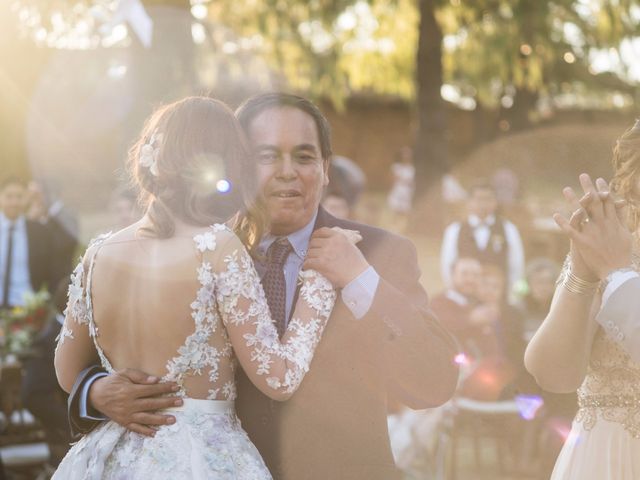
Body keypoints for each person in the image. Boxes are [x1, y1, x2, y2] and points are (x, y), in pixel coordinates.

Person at [66, 93, 459, 479]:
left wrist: (360, 279)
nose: (287, 171)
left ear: (325, 168)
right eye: (266, 156)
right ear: (237, 166)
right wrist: (97, 392)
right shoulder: (202, 251)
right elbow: (86, 356)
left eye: (304, 157)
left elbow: (434, 383)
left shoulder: (381, 252)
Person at [52, 96, 352, 478]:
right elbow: (279, 377)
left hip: (112, 457)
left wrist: (99, 392)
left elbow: (66, 371)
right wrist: (320, 282)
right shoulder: (218, 248)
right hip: (201, 458)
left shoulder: (98, 254)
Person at [525, 121, 640, 479]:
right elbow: (553, 374)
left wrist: (617, 272)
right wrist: (582, 274)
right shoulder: (613, 246)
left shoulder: (616, 258)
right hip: (603, 458)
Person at [441, 181, 525, 298]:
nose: (483, 204)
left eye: (488, 199)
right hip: (465, 298)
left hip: (498, 298)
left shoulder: (508, 229)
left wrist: (511, 296)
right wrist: (456, 296)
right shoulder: (455, 230)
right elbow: (448, 266)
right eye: (478, 199)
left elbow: (516, 266)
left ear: (495, 202)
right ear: (469, 202)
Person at [0, 177, 72, 309]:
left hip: (28, 309)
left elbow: (55, 268)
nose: (14, 202)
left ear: (26, 198)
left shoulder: (39, 231)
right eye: (9, 196)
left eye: (19, 196)